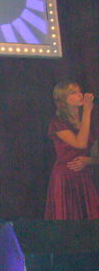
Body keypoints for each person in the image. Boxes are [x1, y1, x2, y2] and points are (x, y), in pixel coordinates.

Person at [45, 81, 99, 220]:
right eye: (73, 93)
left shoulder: (90, 122)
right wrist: (87, 111)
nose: (80, 95)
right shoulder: (57, 124)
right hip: (65, 178)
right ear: (63, 100)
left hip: (84, 176)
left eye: (80, 91)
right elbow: (80, 143)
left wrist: (90, 161)